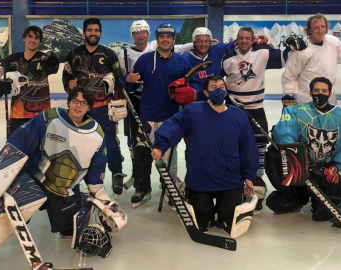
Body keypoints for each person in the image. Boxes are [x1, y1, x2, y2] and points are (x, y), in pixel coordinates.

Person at [0, 87, 126, 269]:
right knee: (6, 218)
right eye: (75, 101)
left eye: (84, 103)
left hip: (65, 191)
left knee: (69, 232)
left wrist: (100, 197)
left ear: (89, 107)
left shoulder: (97, 134)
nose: (78, 106)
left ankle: (72, 210)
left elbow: (96, 168)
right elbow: (20, 140)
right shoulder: (49, 118)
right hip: (35, 182)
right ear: (69, 101)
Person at [151, 76, 259, 235]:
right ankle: (204, 214)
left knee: (228, 220)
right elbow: (174, 125)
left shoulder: (239, 116)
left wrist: (249, 175)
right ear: (206, 92)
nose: (219, 90)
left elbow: (248, 147)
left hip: (230, 179)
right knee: (201, 221)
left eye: (222, 87)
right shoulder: (193, 111)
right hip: (200, 179)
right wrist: (160, 147)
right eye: (214, 87)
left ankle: (224, 215)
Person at [221, 26, 306, 213]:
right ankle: (234, 183)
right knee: (232, 146)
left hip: (256, 109)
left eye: (247, 38)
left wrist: (292, 46)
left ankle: (256, 182)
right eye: (241, 38)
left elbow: (284, 58)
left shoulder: (263, 53)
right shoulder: (227, 57)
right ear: (237, 40)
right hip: (234, 109)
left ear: (253, 40)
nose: (244, 41)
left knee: (260, 145)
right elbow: (218, 80)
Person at [124, 23, 199, 208]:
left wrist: (190, 92)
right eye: (162, 36)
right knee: (142, 157)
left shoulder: (182, 62)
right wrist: (127, 80)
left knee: (169, 159)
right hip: (147, 116)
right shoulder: (145, 60)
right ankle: (143, 189)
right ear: (157, 39)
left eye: (169, 36)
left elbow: (194, 84)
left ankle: (170, 191)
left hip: (171, 118)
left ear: (173, 39)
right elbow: (131, 86)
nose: (165, 39)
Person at [268, 77, 341, 222]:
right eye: (316, 90)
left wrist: (340, 169)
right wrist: (295, 155)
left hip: (327, 170)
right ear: (311, 93)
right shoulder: (296, 111)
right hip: (304, 166)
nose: (320, 93)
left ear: (330, 93)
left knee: (321, 215)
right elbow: (285, 132)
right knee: (273, 156)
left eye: (324, 90)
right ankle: (295, 197)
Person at [62, 18, 127, 197]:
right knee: (78, 143)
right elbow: (65, 76)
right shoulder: (73, 54)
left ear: (100, 33)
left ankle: (117, 173)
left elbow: (119, 77)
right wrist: (69, 83)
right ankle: (74, 177)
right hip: (81, 110)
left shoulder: (108, 54)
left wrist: (117, 89)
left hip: (104, 108)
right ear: (84, 32)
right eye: (89, 30)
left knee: (110, 143)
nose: (93, 33)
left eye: (96, 30)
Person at [0, 25, 60, 135]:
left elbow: (54, 69)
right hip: (18, 114)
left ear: (39, 41)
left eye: (36, 38)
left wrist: (54, 63)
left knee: (40, 149)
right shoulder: (11, 60)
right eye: (30, 36)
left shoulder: (45, 59)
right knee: (17, 148)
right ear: (24, 38)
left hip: (41, 114)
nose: (33, 40)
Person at [281, 13, 341, 106]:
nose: (320, 30)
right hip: (307, 104)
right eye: (316, 27)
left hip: (330, 103)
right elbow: (289, 76)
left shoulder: (333, 42)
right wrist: (288, 96)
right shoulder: (301, 50)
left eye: (323, 26)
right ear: (309, 30)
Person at [182, 27, 235, 101]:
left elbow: (237, 44)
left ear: (211, 42)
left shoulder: (217, 50)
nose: (203, 44)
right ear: (194, 43)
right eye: (200, 40)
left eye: (206, 40)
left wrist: (254, 40)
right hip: (196, 103)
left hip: (216, 101)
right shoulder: (184, 59)